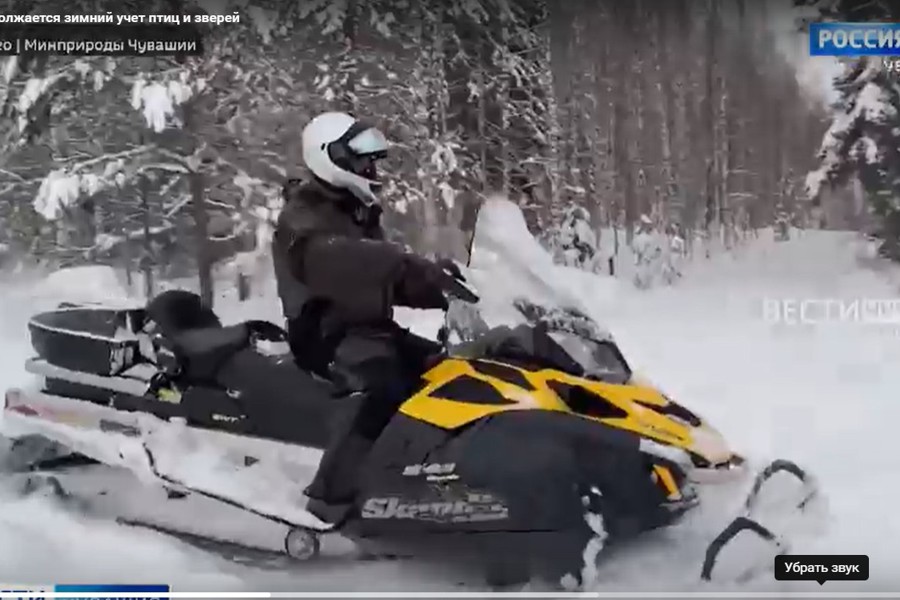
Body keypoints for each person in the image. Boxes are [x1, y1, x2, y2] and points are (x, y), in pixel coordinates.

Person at [271, 111, 465, 523]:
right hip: (325, 336)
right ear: (331, 158)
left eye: (372, 160)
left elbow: (387, 283)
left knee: (452, 372)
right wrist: (403, 264)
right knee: (383, 387)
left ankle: (434, 479)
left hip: (371, 330)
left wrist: (444, 288)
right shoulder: (303, 215)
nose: (372, 169)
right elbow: (337, 259)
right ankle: (330, 500)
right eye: (362, 160)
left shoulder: (356, 210)